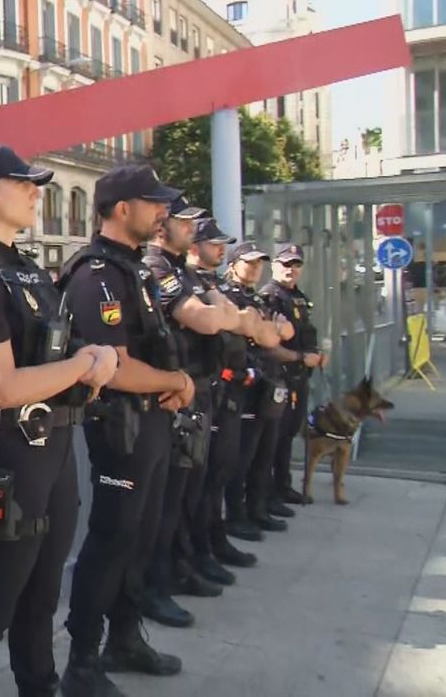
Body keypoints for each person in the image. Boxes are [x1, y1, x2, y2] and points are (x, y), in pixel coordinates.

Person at [0, 146, 118, 697]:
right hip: (13, 455)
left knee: (40, 602)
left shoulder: (26, 270)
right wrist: (86, 364)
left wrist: (93, 355)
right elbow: (3, 385)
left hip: (53, 451)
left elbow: (56, 346)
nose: (37, 191)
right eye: (23, 183)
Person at [58, 164, 195, 697]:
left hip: (152, 423)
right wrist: (177, 379)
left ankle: (124, 637)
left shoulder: (134, 269)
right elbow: (113, 364)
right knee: (111, 541)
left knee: (141, 535)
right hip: (121, 428)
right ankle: (82, 661)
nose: (163, 211)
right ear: (121, 209)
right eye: (152, 202)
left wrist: (174, 383)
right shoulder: (96, 274)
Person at [139, 198, 252, 628]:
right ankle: (157, 583)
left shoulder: (184, 272)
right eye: (184, 221)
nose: (191, 228)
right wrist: (219, 314)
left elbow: (231, 318)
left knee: (192, 490)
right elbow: (210, 320)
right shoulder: (157, 267)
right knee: (170, 500)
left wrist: (219, 313)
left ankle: (181, 566)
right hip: (174, 395)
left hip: (198, 391)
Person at [186, 218, 261, 575]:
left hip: (223, 391)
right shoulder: (187, 282)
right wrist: (230, 317)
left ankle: (213, 543)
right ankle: (199, 552)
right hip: (204, 390)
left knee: (218, 473)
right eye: (214, 243)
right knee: (201, 480)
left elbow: (246, 325)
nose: (221, 249)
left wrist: (232, 317)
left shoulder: (213, 284)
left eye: (222, 244)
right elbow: (222, 324)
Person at [220, 241, 297, 543]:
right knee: (241, 458)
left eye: (259, 264)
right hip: (242, 384)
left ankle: (257, 508)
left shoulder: (255, 298)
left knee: (263, 451)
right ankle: (237, 516)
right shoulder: (228, 295)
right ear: (234, 264)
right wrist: (269, 330)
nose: (255, 268)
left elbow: (284, 332)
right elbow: (263, 333)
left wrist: (269, 330)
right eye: (249, 262)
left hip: (265, 381)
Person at [261, 244, 326, 509]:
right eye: (286, 264)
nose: (291, 270)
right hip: (279, 376)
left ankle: (283, 487)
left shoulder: (298, 296)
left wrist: (317, 354)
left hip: (299, 377)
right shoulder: (270, 297)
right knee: (273, 438)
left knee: (287, 434)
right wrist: (301, 358)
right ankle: (268, 493)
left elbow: (305, 335)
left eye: (296, 265)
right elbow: (270, 344)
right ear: (274, 266)